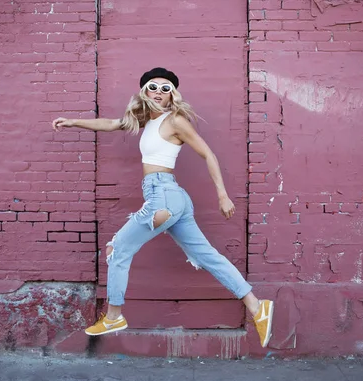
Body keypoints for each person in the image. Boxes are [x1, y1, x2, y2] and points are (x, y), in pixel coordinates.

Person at [52, 67, 274, 347]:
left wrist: (222, 195)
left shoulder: (175, 121)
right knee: (206, 256)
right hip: (171, 197)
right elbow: (111, 124)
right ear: (144, 92)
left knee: (118, 249)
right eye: (152, 87)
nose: (158, 92)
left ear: (173, 95)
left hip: (164, 196)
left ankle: (114, 315)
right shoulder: (146, 120)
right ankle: (257, 307)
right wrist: (73, 122)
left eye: (165, 88)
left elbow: (208, 153)